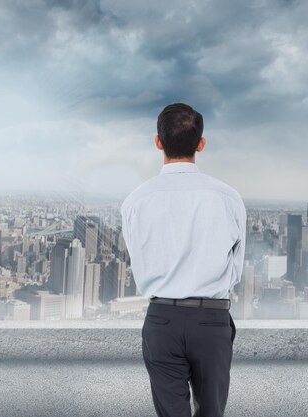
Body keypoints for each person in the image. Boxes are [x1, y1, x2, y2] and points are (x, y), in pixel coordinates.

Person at [120, 102, 247, 417]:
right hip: (212, 319)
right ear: (200, 144)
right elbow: (236, 267)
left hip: (162, 319)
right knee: (212, 412)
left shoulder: (136, 200)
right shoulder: (228, 197)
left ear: (158, 142)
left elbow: (137, 254)